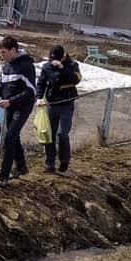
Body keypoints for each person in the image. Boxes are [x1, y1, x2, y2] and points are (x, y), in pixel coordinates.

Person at [0, 36, 37, 187]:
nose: (1, 55)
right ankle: (22, 167)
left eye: (4, 52)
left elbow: (31, 91)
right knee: (14, 137)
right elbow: (3, 89)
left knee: (9, 137)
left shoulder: (26, 66)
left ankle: (3, 176)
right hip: (9, 106)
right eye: (0, 52)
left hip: (22, 107)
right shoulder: (6, 67)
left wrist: (11, 101)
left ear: (13, 50)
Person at [35, 44, 82, 173]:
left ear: (62, 57)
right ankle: (49, 164)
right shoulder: (47, 67)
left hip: (67, 103)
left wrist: (62, 68)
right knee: (49, 134)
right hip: (52, 103)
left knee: (62, 134)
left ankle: (64, 160)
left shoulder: (72, 65)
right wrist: (39, 97)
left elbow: (76, 79)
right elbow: (41, 83)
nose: (54, 62)